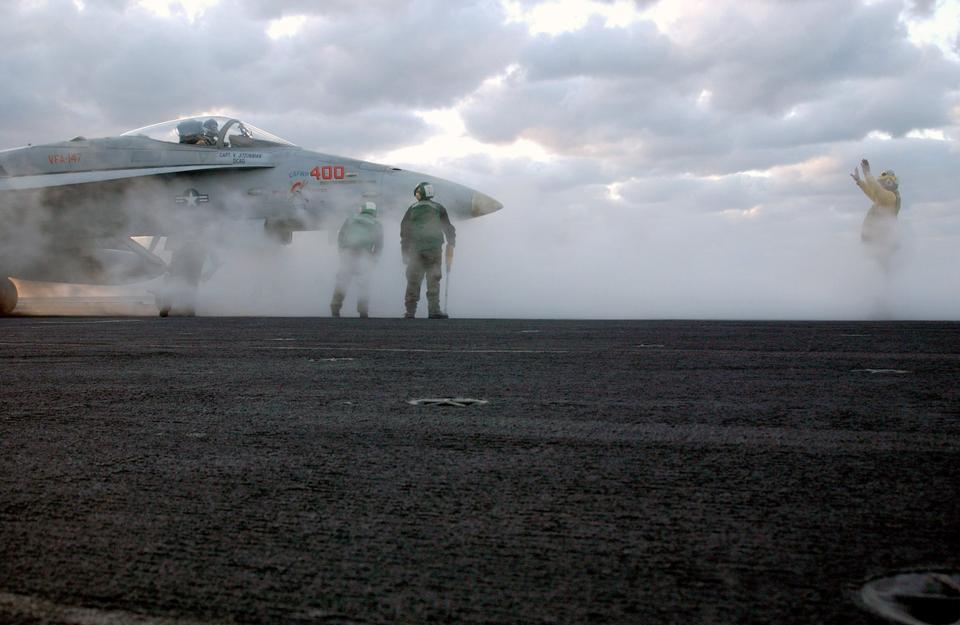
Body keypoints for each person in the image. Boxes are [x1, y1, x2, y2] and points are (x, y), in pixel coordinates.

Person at [400, 182, 456, 319]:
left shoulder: (412, 209)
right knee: (434, 278)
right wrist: (451, 242)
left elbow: (404, 232)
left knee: (413, 279)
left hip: (415, 250)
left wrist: (404, 252)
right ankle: (434, 310)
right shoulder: (439, 208)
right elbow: (448, 228)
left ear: (419, 193)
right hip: (434, 249)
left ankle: (410, 311)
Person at [330, 201, 383, 318]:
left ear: (362, 209)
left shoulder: (351, 219)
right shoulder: (376, 224)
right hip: (364, 255)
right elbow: (379, 244)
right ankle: (363, 311)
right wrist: (373, 259)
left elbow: (341, 235)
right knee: (363, 284)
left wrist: (342, 251)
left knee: (343, 281)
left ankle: (335, 308)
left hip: (349, 253)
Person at [851, 158, 900, 271]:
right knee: (878, 268)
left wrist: (867, 173)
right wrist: (859, 181)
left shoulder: (889, 197)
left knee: (881, 268)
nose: (881, 185)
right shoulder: (882, 200)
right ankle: (884, 284)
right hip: (875, 241)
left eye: (884, 182)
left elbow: (876, 190)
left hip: (880, 241)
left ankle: (886, 285)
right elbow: (872, 193)